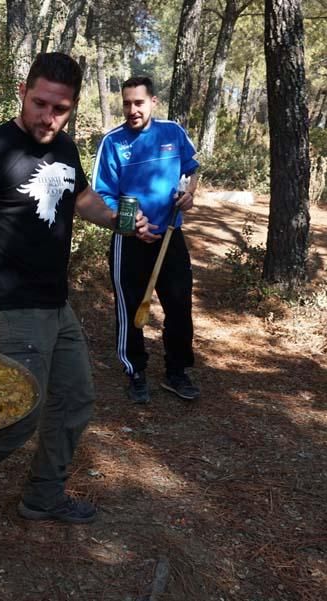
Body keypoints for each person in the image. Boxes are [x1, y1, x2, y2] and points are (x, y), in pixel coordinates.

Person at [0, 53, 129, 573]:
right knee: (13, 423)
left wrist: (126, 221)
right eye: (39, 103)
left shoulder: (65, 146)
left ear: (72, 108)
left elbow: (84, 201)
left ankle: (44, 495)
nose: (47, 117)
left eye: (60, 109)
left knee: (75, 402)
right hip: (12, 305)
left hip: (57, 303)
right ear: (21, 90)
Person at [92, 76, 201, 404]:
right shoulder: (112, 142)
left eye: (138, 103)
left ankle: (177, 371)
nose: (132, 109)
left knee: (179, 305)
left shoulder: (173, 133)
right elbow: (102, 194)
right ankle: (135, 370)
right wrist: (129, 224)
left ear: (153, 101)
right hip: (130, 241)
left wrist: (190, 193)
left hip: (171, 234)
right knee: (129, 309)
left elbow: (192, 169)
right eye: (126, 103)